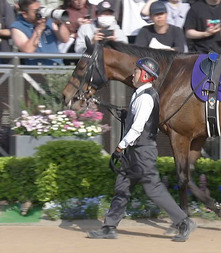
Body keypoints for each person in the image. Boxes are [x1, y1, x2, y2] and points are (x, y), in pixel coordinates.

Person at [87, 57, 196, 242]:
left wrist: (120, 147)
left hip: (142, 151)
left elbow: (137, 128)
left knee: (153, 189)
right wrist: (126, 114)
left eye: (137, 71)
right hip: (135, 151)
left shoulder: (145, 97)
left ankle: (183, 221)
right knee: (122, 186)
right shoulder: (139, 94)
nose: (133, 74)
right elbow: (136, 120)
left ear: (145, 75)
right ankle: (109, 227)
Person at [10, 0, 70, 65]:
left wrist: (60, 23)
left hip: (56, 66)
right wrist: (38, 30)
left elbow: (65, 39)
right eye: (36, 11)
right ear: (25, 14)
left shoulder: (47, 20)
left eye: (40, 9)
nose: (39, 13)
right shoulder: (17, 27)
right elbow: (28, 51)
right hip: (36, 70)